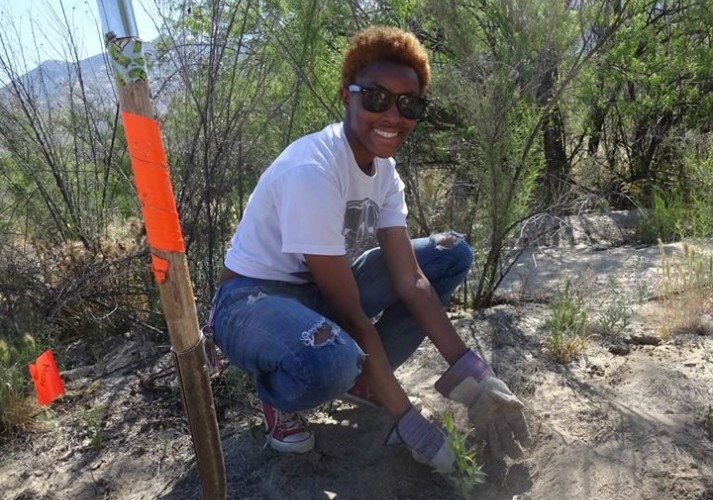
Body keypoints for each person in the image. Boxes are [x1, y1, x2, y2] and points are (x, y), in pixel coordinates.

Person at [210, 25, 530, 472]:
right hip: (253, 300)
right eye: (377, 98)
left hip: (320, 291)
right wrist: (408, 421)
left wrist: (476, 376)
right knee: (329, 359)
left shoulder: (383, 172)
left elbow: (411, 280)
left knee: (449, 254)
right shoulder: (313, 170)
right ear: (347, 97)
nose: (393, 115)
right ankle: (281, 400)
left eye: (409, 104)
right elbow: (352, 313)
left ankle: (364, 380)